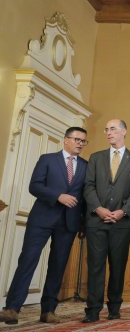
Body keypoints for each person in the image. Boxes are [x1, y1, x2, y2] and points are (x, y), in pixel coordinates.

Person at [0, 127, 88, 325]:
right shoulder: (47, 159)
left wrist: (82, 223)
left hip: (68, 223)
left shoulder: (86, 166)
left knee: (57, 267)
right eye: (76, 139)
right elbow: (35, 186)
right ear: (65, 140)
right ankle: (12, 308)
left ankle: (48, 311)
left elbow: (85, 197)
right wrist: (58, 196)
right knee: (28, 261)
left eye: (83, 141)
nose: (80, 143)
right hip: (41, 219)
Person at [82, 119, 130, 323]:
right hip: (96, 221)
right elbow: (88, 186)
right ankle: (92, 309)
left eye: (113, 129)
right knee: (95, 266)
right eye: (106, 130)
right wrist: (98, 209)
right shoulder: (96, 157)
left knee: (118, 266)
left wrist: (124, 211)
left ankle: (115, 307)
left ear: (124, 131)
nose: (108, 133)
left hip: (121, 223)